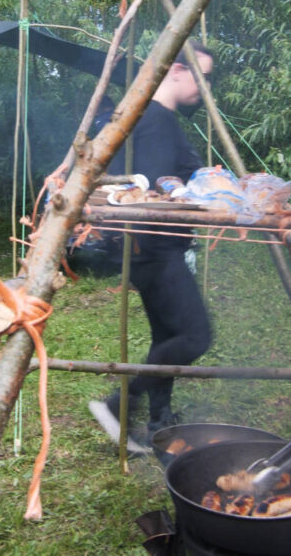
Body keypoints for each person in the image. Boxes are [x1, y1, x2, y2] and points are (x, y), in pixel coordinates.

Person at [88, 40, 214, 453]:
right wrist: (196, 189)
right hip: (156, 248)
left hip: (147, 249)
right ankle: (117, 405)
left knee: (167, 336)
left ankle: (160, 420)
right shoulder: (157, 119)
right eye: (201, 76)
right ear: (176, 70)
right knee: (195, 336)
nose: (204, 87)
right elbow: (155, 184)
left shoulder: (154, 117)